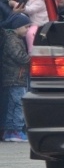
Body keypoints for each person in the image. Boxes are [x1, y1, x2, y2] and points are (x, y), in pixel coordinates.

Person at [2, 14, 32, 142]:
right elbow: (20, 57)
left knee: (13, 104)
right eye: (26, 27)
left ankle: (9, 131)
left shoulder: (13, 39)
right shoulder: (12, 40)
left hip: (14, 77)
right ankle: (17, 130)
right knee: (20, 103)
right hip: (16, 77)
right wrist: (32, 58)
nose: (28, 30)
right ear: (17, 27)